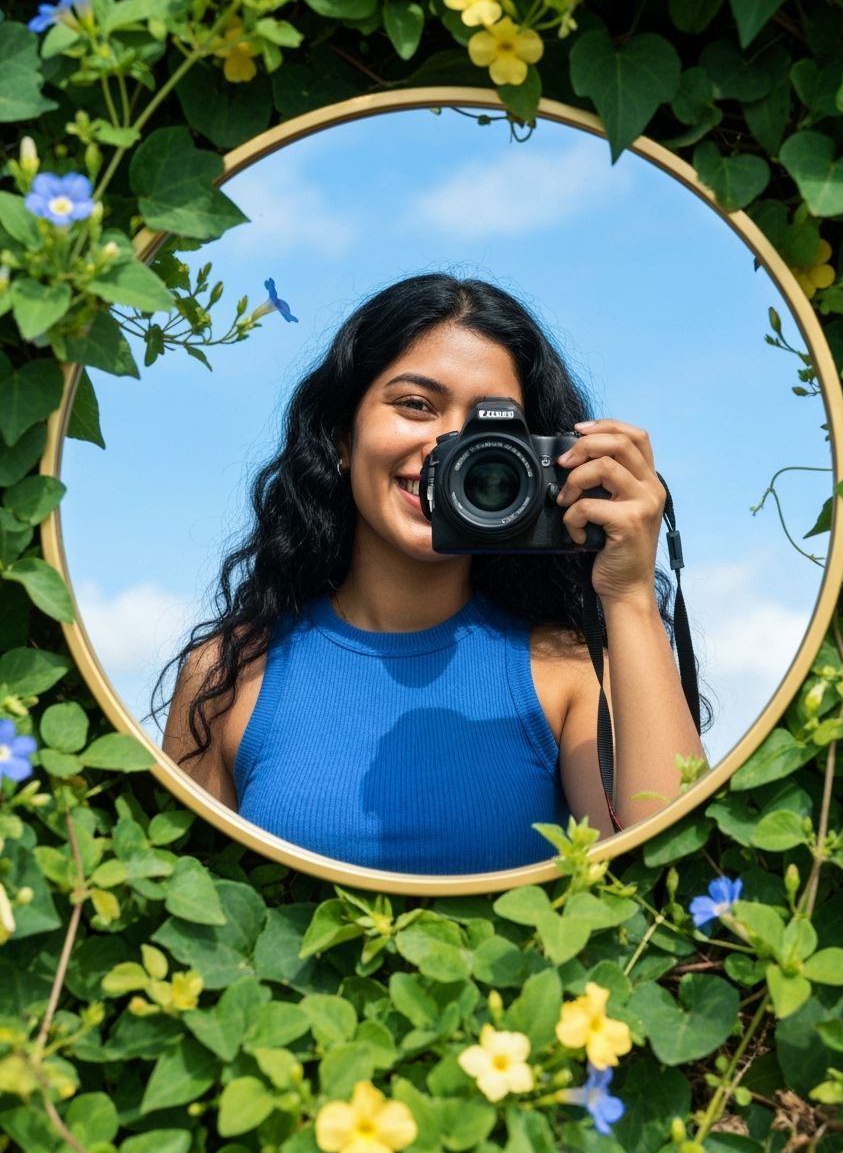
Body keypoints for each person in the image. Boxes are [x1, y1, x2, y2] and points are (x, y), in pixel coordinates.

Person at [159, 274, 706, 873]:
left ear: (539, 465)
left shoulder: (572, 672)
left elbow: (669, 882)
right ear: (342, 436)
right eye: (415, 405)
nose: (448, 446)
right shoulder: (228, 676)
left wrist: (628, 596)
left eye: (489, 426)